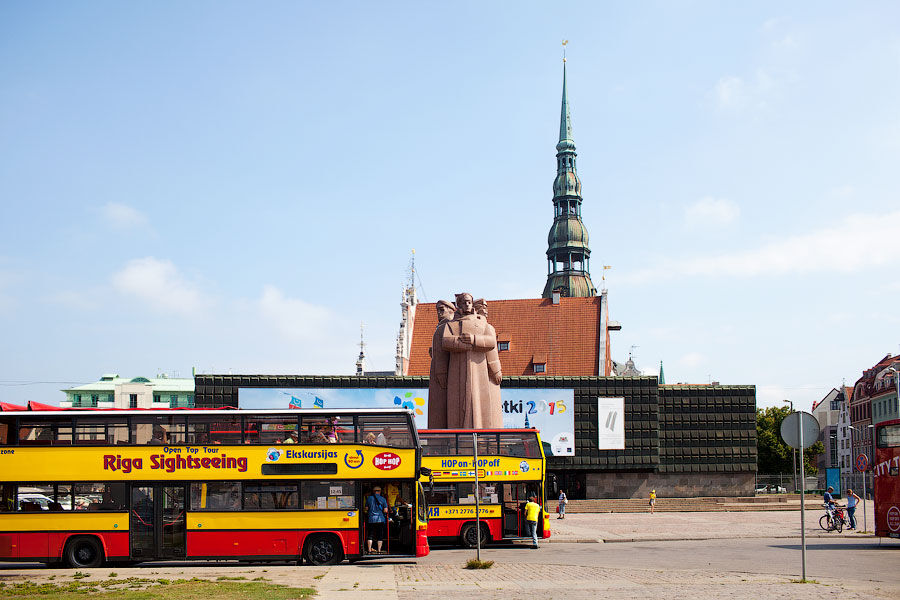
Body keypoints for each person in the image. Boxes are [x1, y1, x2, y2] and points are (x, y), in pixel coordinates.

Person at [442, 292, 503, 428]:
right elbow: (445, 342)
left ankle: (480, 432)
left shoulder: (482, 323)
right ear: (459, 305)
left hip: (478, 369)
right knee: (458, 404)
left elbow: (491, 342)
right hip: (457, 370)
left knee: (478, 401)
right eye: (464, 302)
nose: (467, 304)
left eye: (469, 302)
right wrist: (464, 345)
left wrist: (473, 340)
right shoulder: (451, 325)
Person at [427, 300, 456, 428]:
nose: (439, 312)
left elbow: (443, 353)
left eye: (442, 309)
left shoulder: (447, 327)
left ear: (451, 310)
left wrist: (441, 373)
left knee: (439, 406)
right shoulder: (442, 326)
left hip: (442, 374)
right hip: (439, 372)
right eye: (437, 310)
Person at [365, 486, 389, 554]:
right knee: (380, 536)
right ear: (380, 491)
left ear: (373, 491)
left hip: (371, 519)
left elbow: (366, 508)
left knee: (370, 535)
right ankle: (379, 550)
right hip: (380, 519)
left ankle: (369, 550)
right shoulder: (383, 499)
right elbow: (385, 510)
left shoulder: (369, 498)